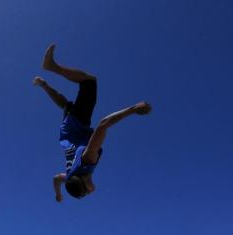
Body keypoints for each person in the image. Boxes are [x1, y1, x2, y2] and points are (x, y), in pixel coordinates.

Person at [33, 44, 151, 201]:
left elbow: (104, 124)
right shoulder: (69, 176)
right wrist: (58, 194)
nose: (91, 191)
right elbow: (56, 179)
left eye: (87, 191)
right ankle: (43, 84)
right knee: (66, 105)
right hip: (68, 130)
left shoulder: (88, 160)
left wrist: (133, 109)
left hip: (77, 124)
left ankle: (52, 66)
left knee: (89, 82)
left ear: (83, 180)